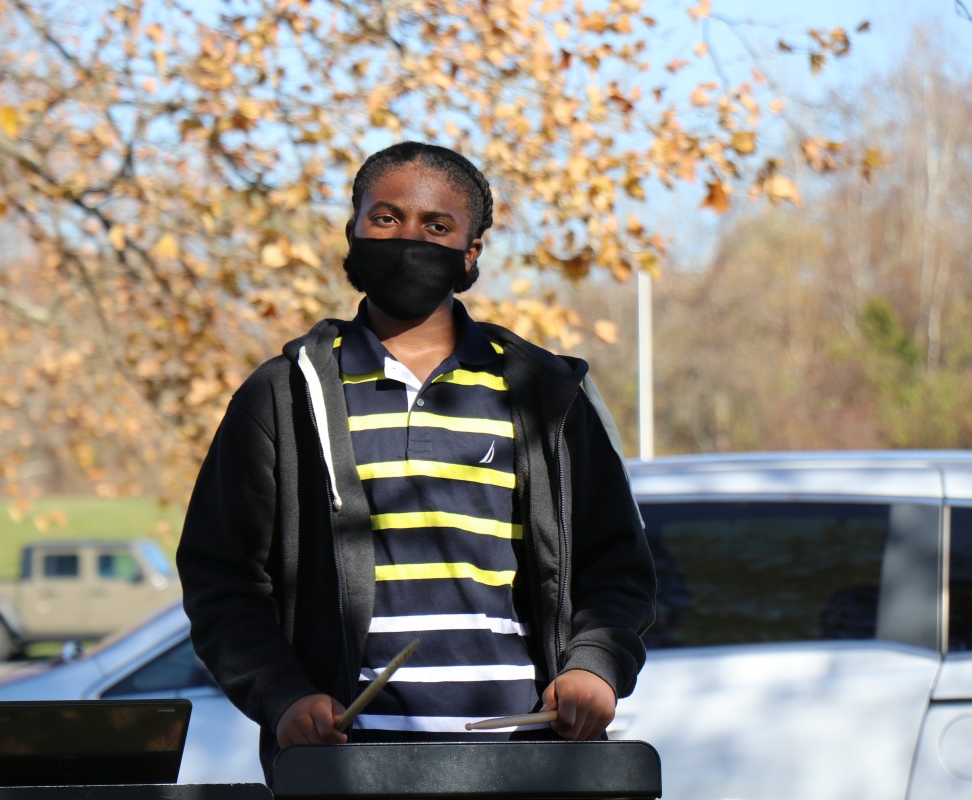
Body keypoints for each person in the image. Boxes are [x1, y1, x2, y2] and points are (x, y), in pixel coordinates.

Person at [176, 141, 656, 781]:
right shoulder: (283, 397)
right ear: (352, 230)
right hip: (349, 768)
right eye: (385, 218)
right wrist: (282, 695)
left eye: (437, 227)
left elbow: (618, 565)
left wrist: (596, 665)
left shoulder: (549, 396)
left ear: (472, 251)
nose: (408, 239)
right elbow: (222, 579)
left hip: (526, 763)